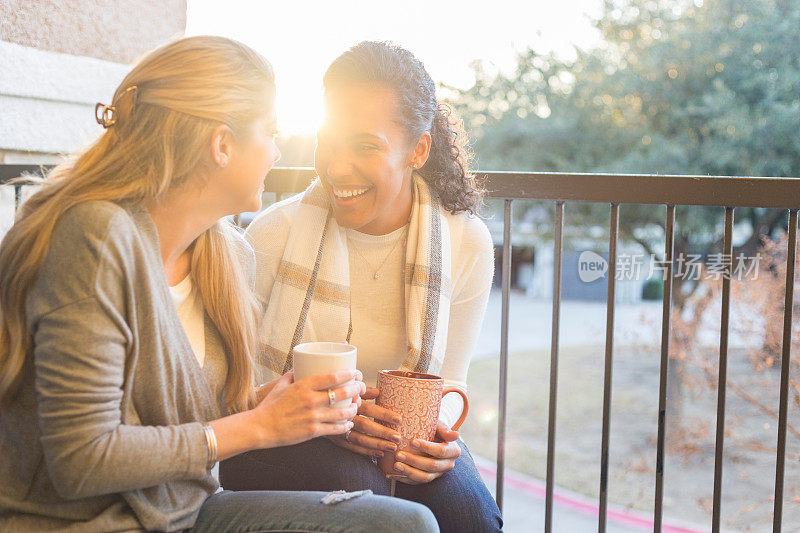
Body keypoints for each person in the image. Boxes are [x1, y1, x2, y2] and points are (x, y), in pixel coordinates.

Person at [0, 36, 438, 533]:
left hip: (187, 512)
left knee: (407, 524)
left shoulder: (225, 254)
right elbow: (82, 458)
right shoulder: (96, 238)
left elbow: (191, 420)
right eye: (270, 132)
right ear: (222, 144)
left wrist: (263, 404)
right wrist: (259, 425)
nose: (277, 151)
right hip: (82, 523)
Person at [221, 41, 502, 532]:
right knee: (365, 495)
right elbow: (233, 392)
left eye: (366, 146)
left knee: (468, 512)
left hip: (401, 443)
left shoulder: (466, 242)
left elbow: (447, 388)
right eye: (330, 140)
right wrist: (335, 419)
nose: (337, 167)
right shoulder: (271, 237)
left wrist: (441, 446)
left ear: (418, 150)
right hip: (284, 439)